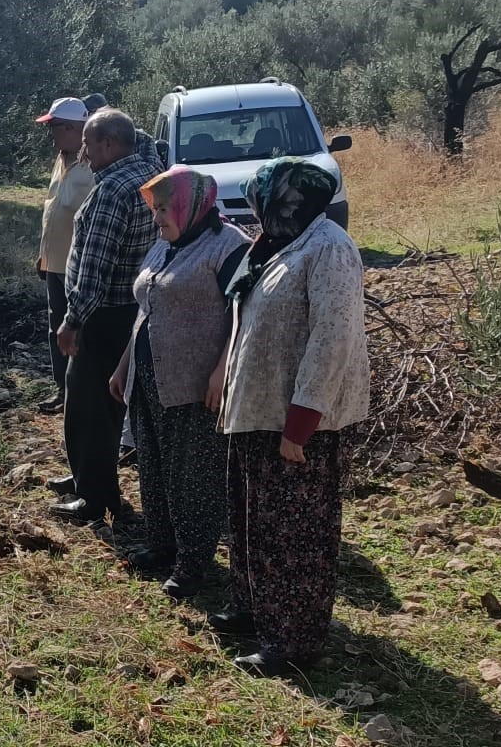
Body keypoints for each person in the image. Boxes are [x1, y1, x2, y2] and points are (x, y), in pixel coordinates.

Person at [208, 157, 369, 676]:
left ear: (286, 201)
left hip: (297, 422)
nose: (256, 214)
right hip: (258, 409)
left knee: (294, 535)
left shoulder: (328, 249)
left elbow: (331, 338)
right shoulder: (276, 245)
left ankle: (294, 639)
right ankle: (257, 608)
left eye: (261, 203)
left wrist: (302, 421)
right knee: (254, 520)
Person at [109, 166, 247, 598]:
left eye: (165, 208)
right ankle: (162, 543)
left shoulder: (228, 247)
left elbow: (245, 314)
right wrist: (124, 365)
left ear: (191, 204)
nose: (157, 217)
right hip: (149, 376)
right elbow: (147, 308)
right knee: (152, 463)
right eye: (155, 209)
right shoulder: (165, 244)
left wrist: (223, 369)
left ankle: (193, 561)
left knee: (193, 473)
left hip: (193, 381)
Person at [48, 108, 162, 524]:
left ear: (110, 144)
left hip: (102, 314)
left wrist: (72, 319)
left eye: (90, 144)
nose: (84, 152)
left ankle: (94, 498)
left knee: (88, 407)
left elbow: (96, 264)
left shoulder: (113, 190)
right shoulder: (148, 170)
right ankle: (89, 478)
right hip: (130, 311)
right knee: (110, 407)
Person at [35, 97, 96, 413]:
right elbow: (53, 208)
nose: (52, 135)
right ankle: (64, 392)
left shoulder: (93, 165)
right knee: (55, 327)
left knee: (78, 332)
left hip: (80, 269)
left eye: (55, 127)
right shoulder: (62, 160)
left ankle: (80, 395)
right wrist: (42, 255)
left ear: (74, 129)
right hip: (54, 265)